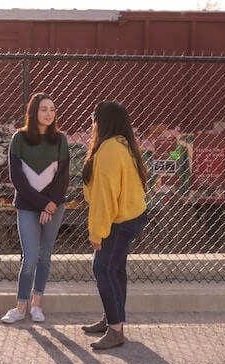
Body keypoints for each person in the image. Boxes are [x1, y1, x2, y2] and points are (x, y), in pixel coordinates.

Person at [81, 101, 148, 349]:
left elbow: (105, 195)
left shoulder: (110, 148)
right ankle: (112, 319)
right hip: (130, 216)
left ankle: (115, 330)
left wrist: (97, 232)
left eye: (93, 119)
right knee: (115, 269)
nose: (92, 125)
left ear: (103, 121)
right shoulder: (123, 145)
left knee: (103, 269)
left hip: (119, 220)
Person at [1, 93, 69, 324]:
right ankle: (20, 307)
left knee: (44, 257)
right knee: (29, 258)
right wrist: (42, 204)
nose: (49, 113)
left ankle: (37, 305)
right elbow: (17, 179)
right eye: (44, 109)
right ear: (33, 112)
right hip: (28, 207)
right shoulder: (19, 139)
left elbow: (62, 178)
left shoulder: (60, 139)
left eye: (52, 109)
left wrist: (50, 206)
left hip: (54, 207)